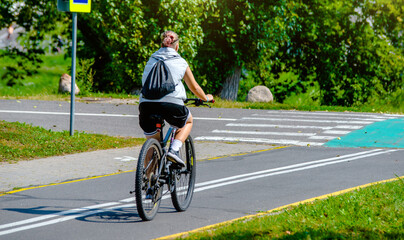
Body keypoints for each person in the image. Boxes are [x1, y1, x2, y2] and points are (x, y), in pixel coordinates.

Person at [138, 30, 213, 167]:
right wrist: (206, 98)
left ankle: (149, 184)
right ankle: (174, 149)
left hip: (146, 105)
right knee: (188, 121)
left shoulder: (151, 59)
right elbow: (194, 87)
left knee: (152, 147)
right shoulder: (180, 62)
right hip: (171, 104)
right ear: (177, 46)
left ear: (162, 44)